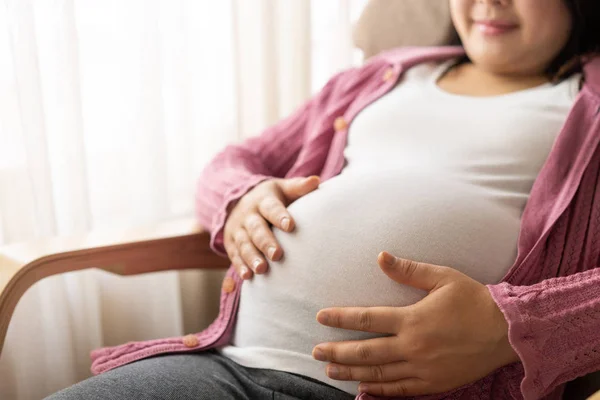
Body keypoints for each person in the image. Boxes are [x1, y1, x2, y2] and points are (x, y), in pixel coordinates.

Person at [48, 0, 600, 399]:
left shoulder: (589, 102)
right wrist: (240, 200)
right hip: (231, 370)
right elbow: (235, 160)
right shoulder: (381, 76)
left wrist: (516, 327)